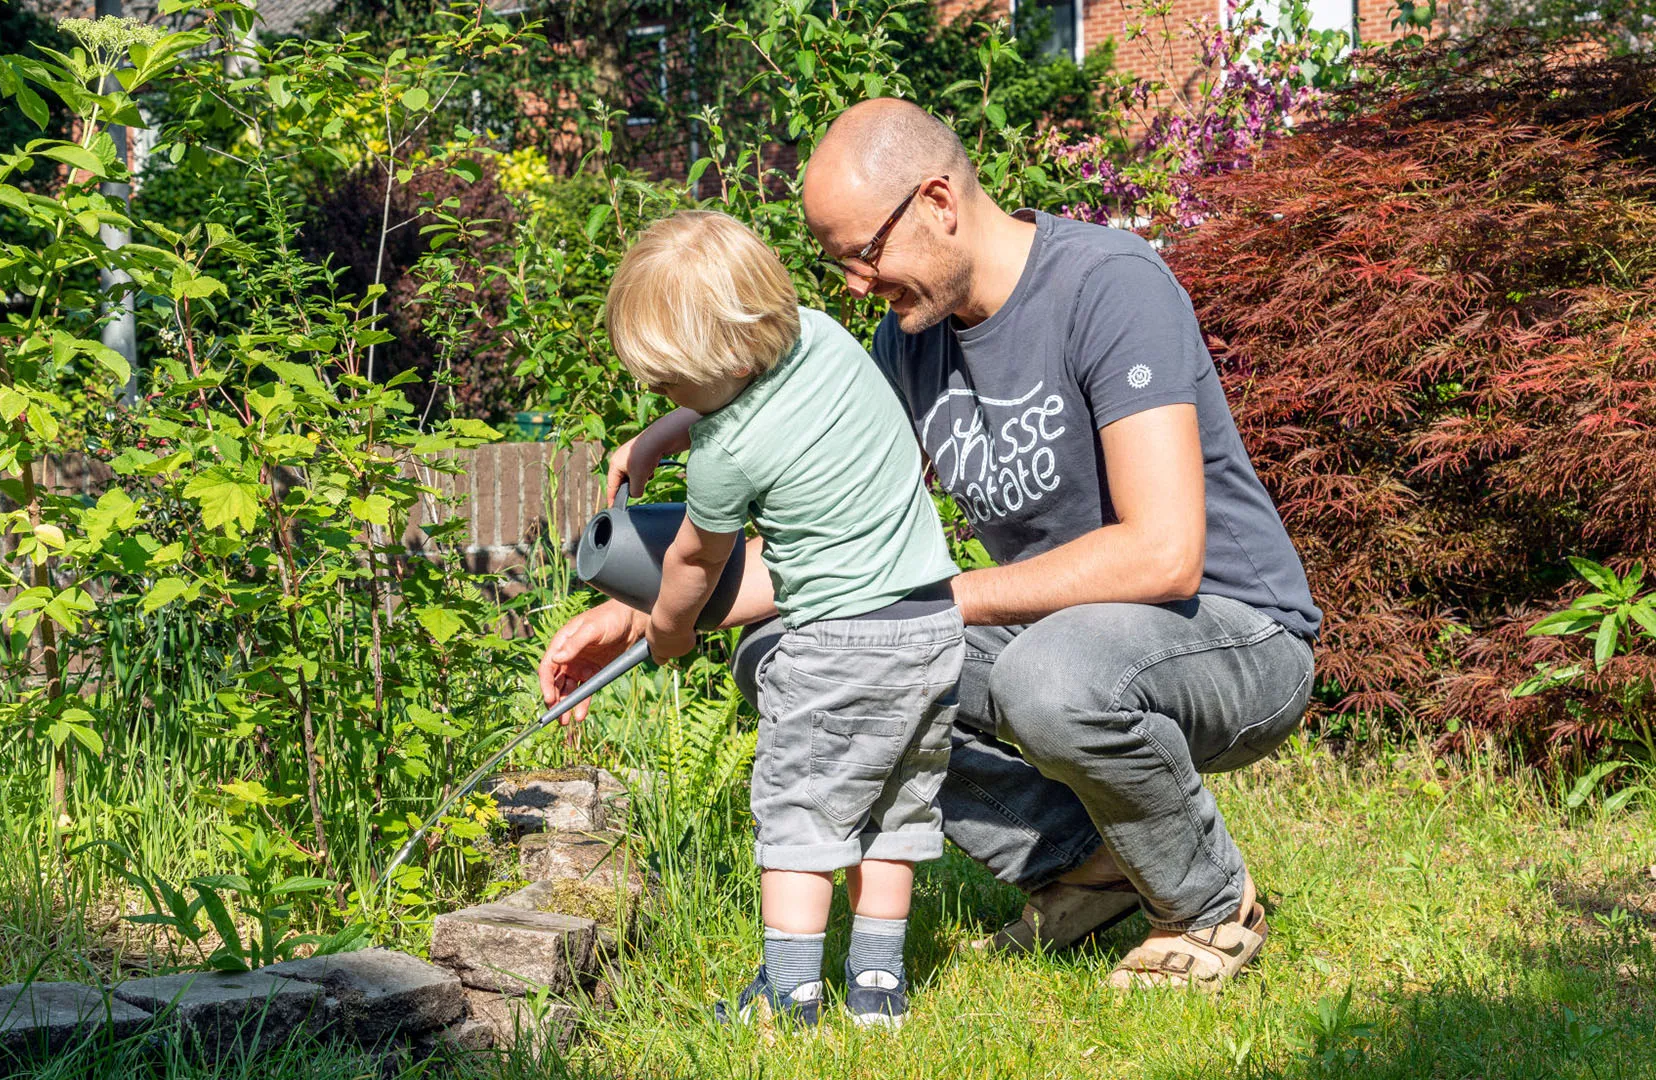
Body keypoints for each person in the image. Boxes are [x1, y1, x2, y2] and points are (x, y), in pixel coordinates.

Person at [543, 98, 1322, 992]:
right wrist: (640, 614)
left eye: (862, 254)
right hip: (1061, 633)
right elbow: (828, 562)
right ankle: (1084, 863)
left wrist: (942, 600)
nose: (853, 285)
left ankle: (1207, 906)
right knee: (796, 660)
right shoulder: (908, 343)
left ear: (940, 202)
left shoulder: (1110, 284)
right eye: (836, 264)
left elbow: (1162, 555)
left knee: (1046, 679)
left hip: (1233, 632)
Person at [602, 210, 964, 1028]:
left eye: (669, 385)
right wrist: (664, 431)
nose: (665, 397)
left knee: (802, 817)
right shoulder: (825, 336)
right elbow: (743, 392)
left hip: (836, 644)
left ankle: (790, 994)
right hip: (935, 625)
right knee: (895, 815)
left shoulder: (726, 455)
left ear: (726, 361)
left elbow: (697, 563)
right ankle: (878, 990)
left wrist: (668, 628)